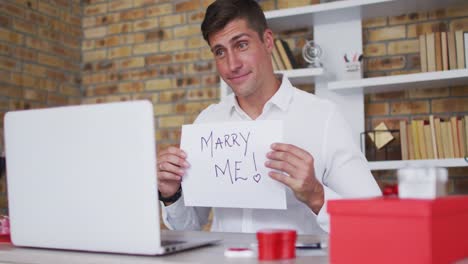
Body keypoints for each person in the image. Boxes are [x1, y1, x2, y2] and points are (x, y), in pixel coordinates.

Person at [157, 0, 381, 234]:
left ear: (267, 41)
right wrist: (172, 195)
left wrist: (316, 195)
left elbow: (373, 220)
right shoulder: (207, 122)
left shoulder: (323, 118)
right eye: (220, 51)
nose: (231, 65)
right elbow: (190, 226)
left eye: (241, 45)